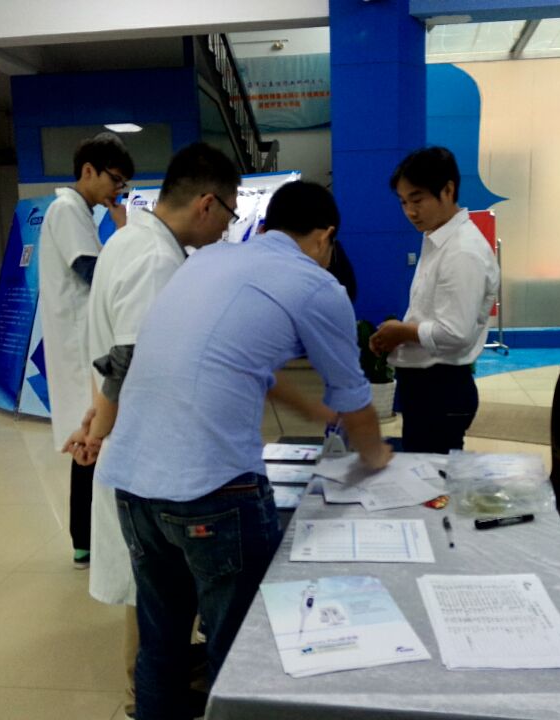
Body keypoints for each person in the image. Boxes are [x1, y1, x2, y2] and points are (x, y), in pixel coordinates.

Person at [92, 181, 392, 720]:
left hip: (134, 485)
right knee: (239, 650)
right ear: (326, 236)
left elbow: (242, 365)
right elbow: (355, 400)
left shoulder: (210, 261)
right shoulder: (316, 284)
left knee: (162, 645)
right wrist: (378, 460)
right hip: (213, 492)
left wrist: (313, 412)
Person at [61, 142, 242, 720]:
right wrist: (99, 427)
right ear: (207, 204)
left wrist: (95, 417)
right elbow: (129, 355)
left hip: (137, 446)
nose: (227, 227)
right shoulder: (156, 258)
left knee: (153, 593)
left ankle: (151, 694)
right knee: (153, 599)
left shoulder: (131, 239)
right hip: (145, 453)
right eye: (230, 213)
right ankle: (144, 701)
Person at [38, 131, 134, 567]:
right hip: (81, 346)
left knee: (91, 439)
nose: (118, 190)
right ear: (88, 171)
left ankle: (87, 539)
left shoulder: (79, 213)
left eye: (124, 183)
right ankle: (86, 540)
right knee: (91, 439)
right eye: (115, 179)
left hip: (86, 341)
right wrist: (127, 239)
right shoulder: (66, 210)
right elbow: (93, 273)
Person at [370, 146, 500, 454]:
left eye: (417, 200)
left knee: (433, 477)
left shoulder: (462, 251)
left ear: (448, 190)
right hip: (427, 387)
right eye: (403, 202)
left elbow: (456, 333)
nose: (410, 211)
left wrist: (402, 331)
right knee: (424, 471)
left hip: (441, 389)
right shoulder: (438, 239)